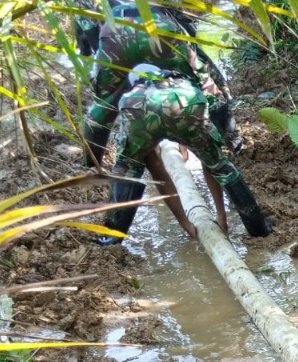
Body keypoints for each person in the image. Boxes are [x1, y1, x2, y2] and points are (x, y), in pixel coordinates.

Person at [96, 64, 270, 244]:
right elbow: (206, 155)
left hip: (137, 109)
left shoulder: (134, 93)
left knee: (126, 172)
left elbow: (157, 170)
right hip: (186, 102)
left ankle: (111, 237)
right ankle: (259, 229)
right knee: (217, 164)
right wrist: (221, 216)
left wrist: (186, 223)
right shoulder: (181, 81)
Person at [79, 4, 242, 169]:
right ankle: (235, 144)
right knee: (203, 85)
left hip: (115, 32)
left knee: (103, 106)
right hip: (158, 26)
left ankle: (90, 167)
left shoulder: (88, 6)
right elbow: (190, 33)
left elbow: (86, 39)